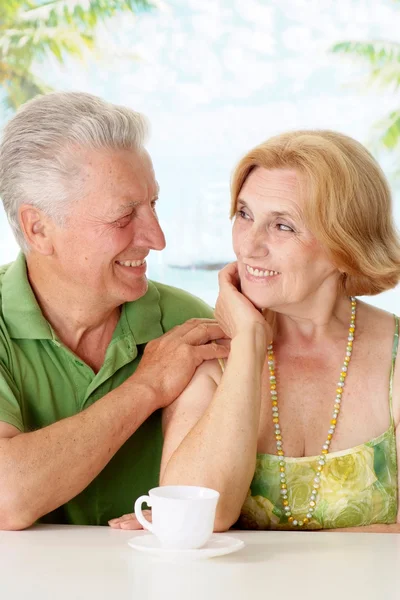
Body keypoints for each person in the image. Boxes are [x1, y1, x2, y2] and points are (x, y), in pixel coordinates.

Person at [111, 130, 400, 532]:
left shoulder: (394, 361)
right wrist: (247, 343)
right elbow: (195, 518)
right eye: (244, 215)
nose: (249, 246)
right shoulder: (208, 354)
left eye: (283, 226)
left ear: (345, 245)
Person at [0, 91, 229, 530]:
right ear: (39, 228)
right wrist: (147, 387)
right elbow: (7, 496)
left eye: (153, 205)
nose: (157, 238)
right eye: (124, 216)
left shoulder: (188, 326)